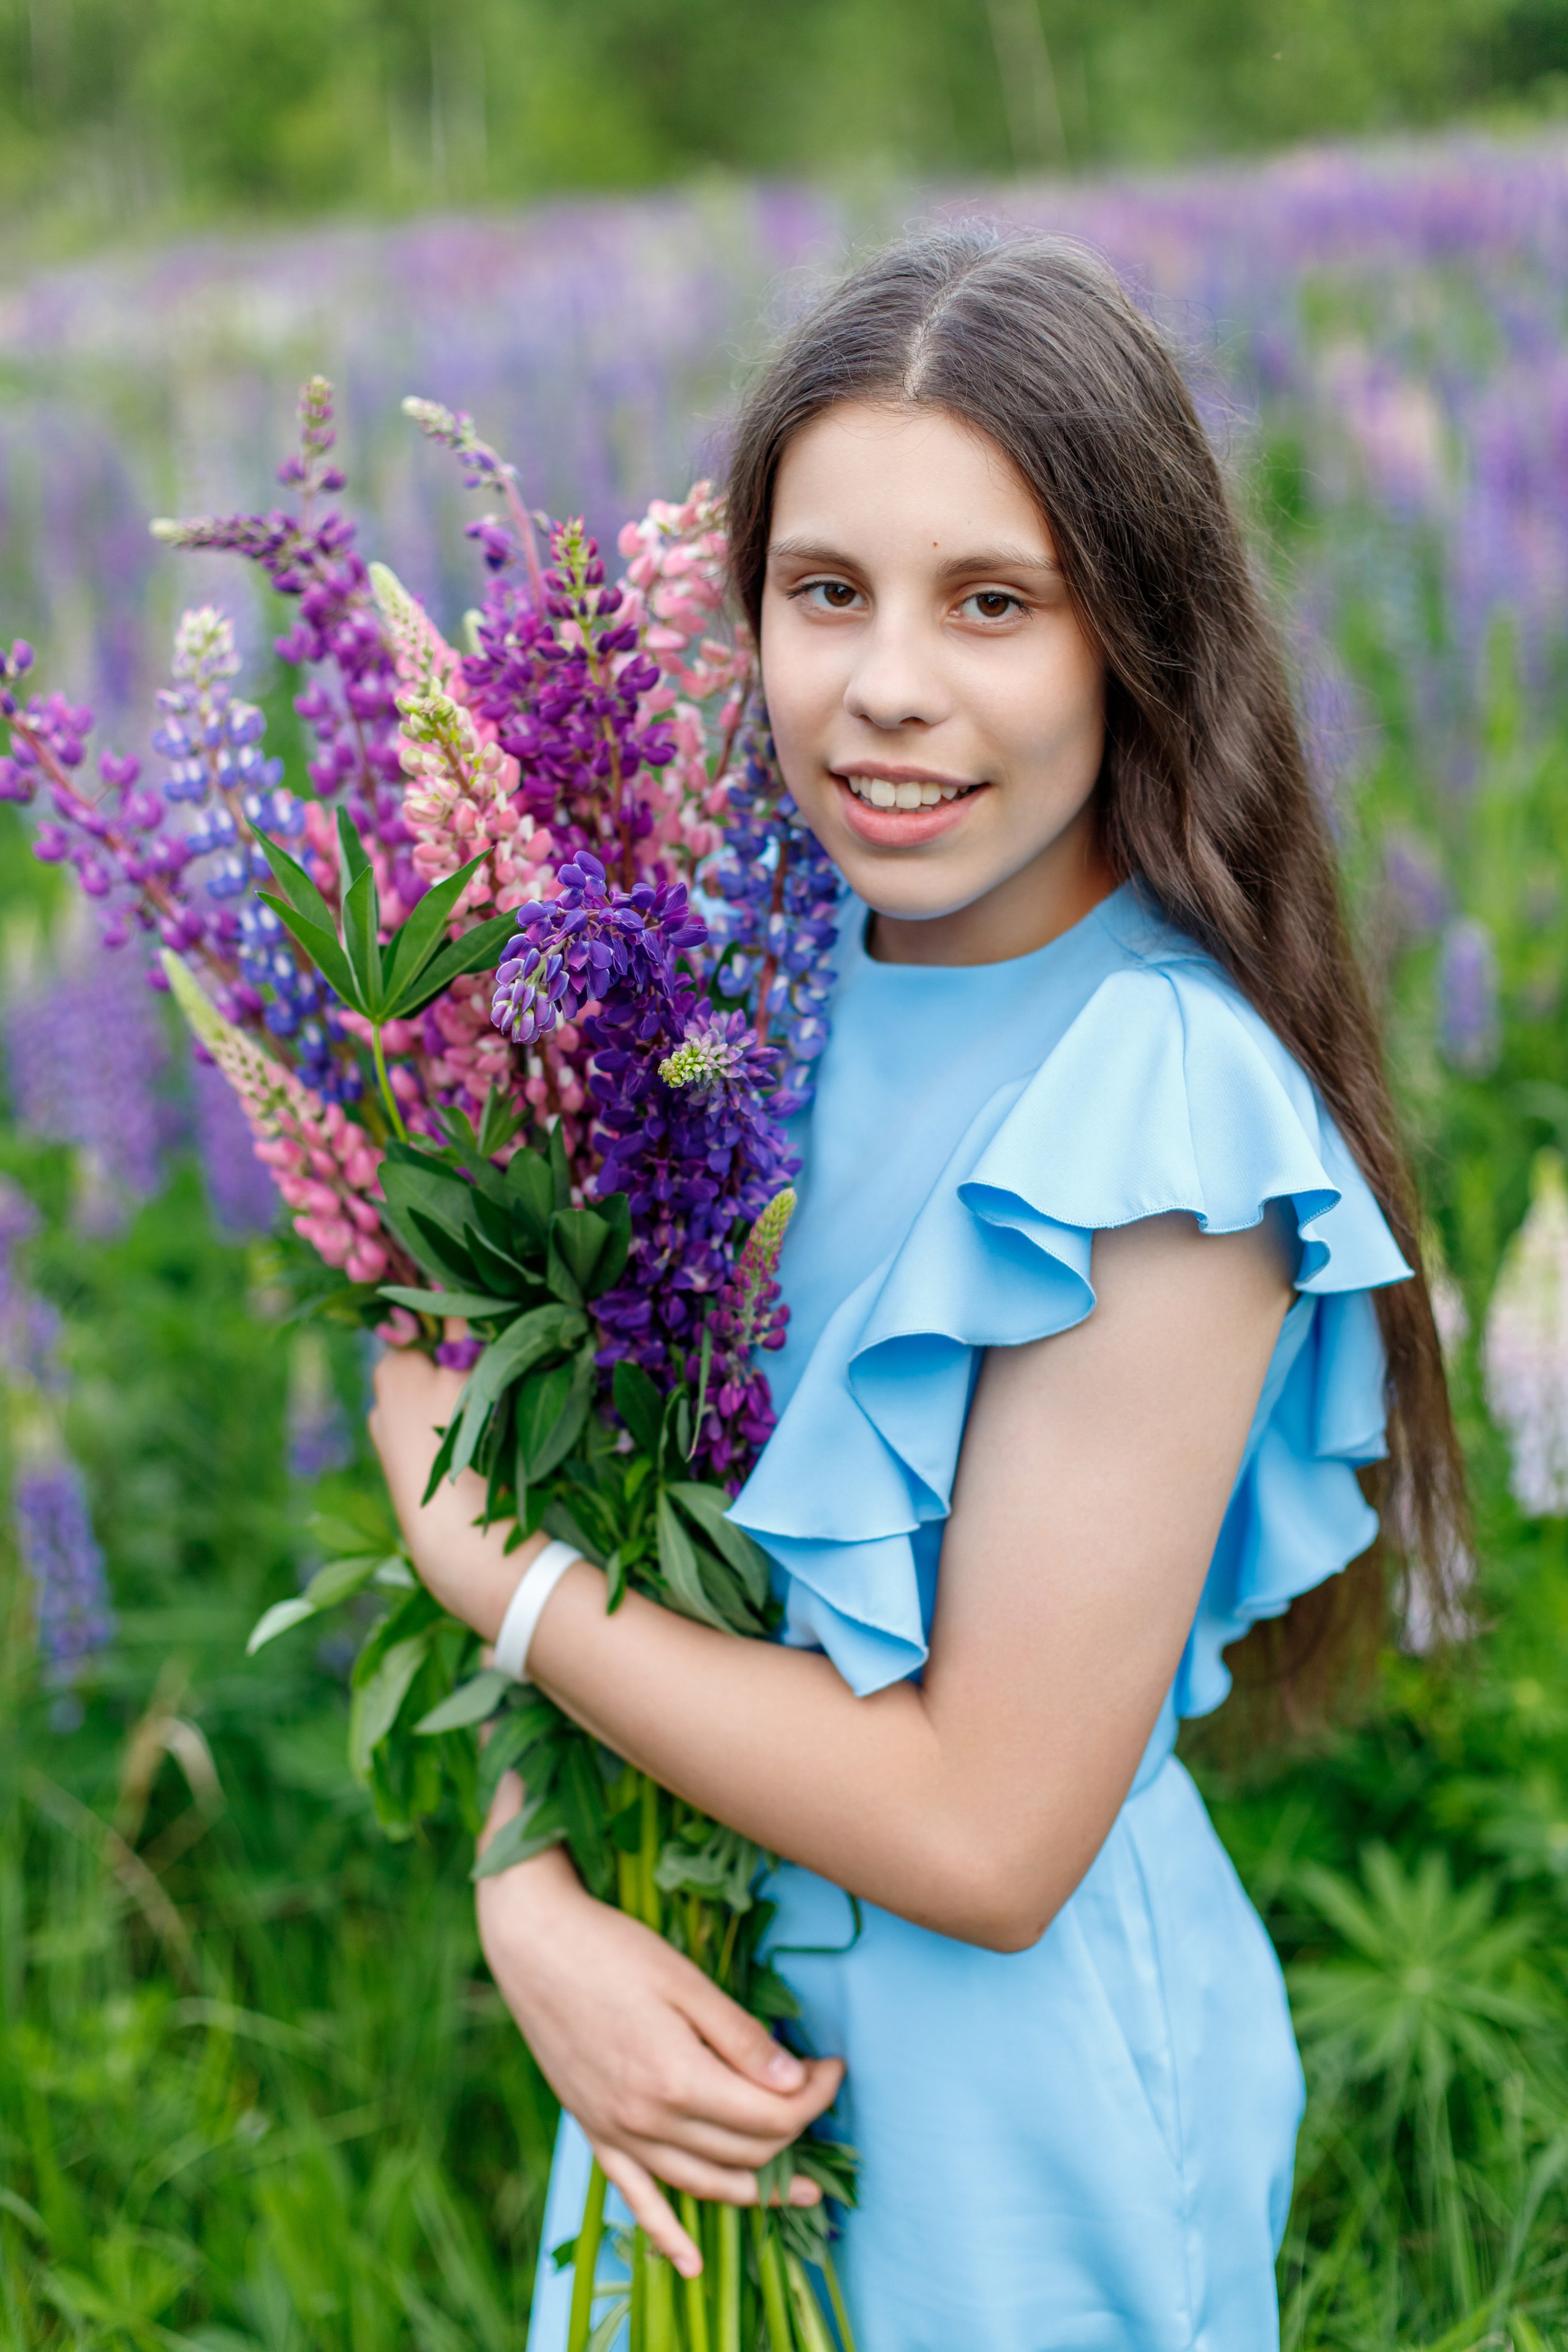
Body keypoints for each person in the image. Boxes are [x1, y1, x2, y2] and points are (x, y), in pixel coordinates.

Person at [368, 230, 1465, 2351]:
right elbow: (617, 1510)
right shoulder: (710, 1007)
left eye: (995, 603)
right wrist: (532, 1888)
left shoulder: (1157, 1104)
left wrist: (481, 1571)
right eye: (825, 591)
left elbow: (984, 1830)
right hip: (680, 2047)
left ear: (1133, 636)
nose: (887, 687)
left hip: (1013, 2117)